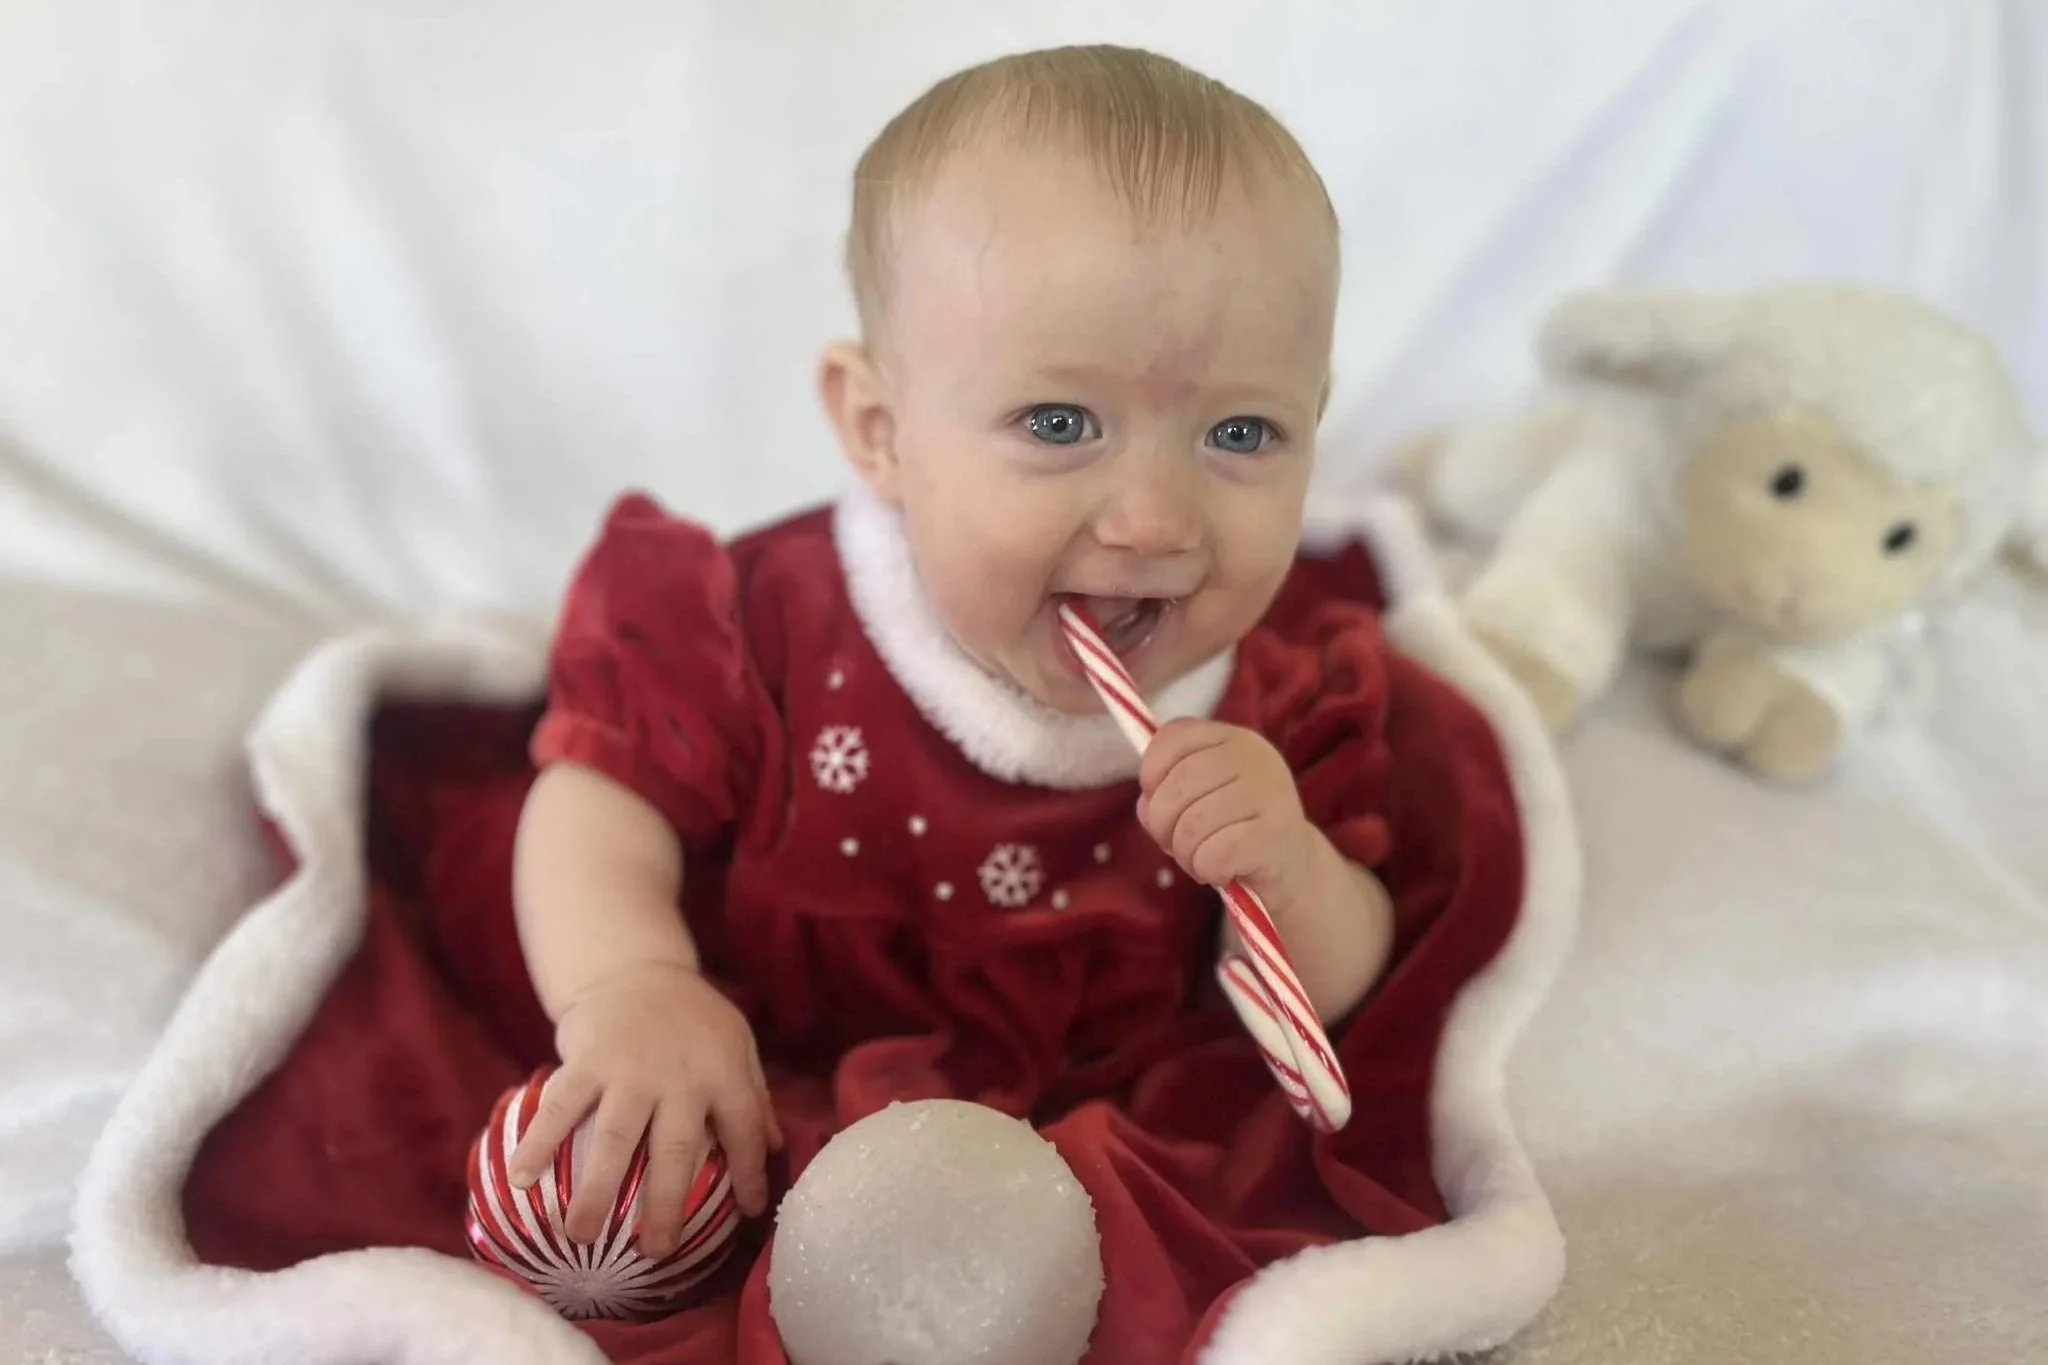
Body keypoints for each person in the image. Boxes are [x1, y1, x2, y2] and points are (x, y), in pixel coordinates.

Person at [505, 43, 1397, 1265]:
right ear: (880, 431)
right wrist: (635, 986)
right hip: (759, 1062)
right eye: (1058, 423)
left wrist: (1286, 865)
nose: (1153, 520)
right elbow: (598, 805)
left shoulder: (1269, 699)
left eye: (1240, 431)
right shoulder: (760, 626)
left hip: (1080, 1127)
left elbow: (1347, 977)